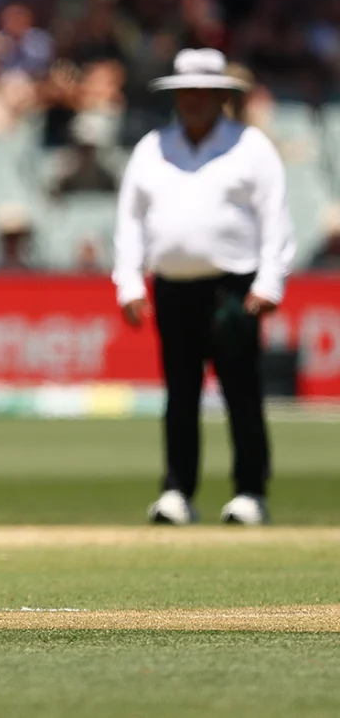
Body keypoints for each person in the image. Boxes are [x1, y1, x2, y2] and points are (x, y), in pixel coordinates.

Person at [112, 48, 294, 527]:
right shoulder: (152, 147)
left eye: (203, 92)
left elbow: (275, 218)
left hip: (234, 287)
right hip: (172, 287)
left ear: (221, 97)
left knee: (241, 391)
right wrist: (129, 281)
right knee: (181, 392)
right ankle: (177, 491)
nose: (193, 100)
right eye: (185, 92)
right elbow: (130, 221)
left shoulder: (250, 146)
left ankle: (251, 491)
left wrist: (270, 281)